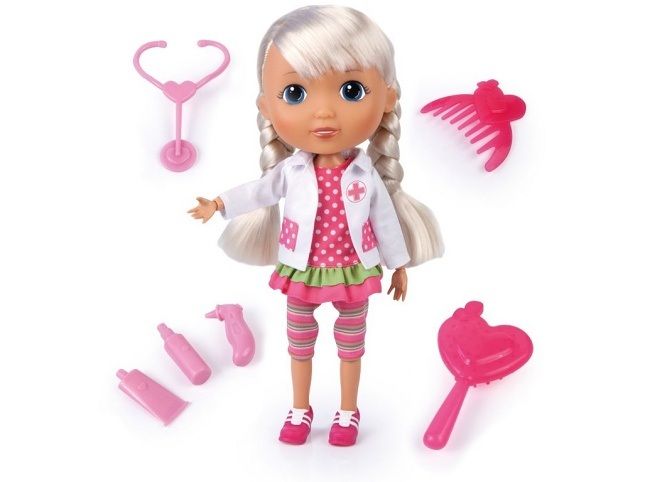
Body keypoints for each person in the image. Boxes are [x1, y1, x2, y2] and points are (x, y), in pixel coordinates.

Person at [189, 5, 443, 446]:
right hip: (301, 269)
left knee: (351, 346)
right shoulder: (292, 171)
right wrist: (220, 203)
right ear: (266, 105)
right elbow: (260, 190)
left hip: (353, 270)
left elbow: (384, 219)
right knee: (299, 344)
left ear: (387, 99)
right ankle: (300, 409)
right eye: (295, 93)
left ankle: (347, 412)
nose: (324, 113)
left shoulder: (365, 174)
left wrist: (399, 264)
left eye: (350, 90)